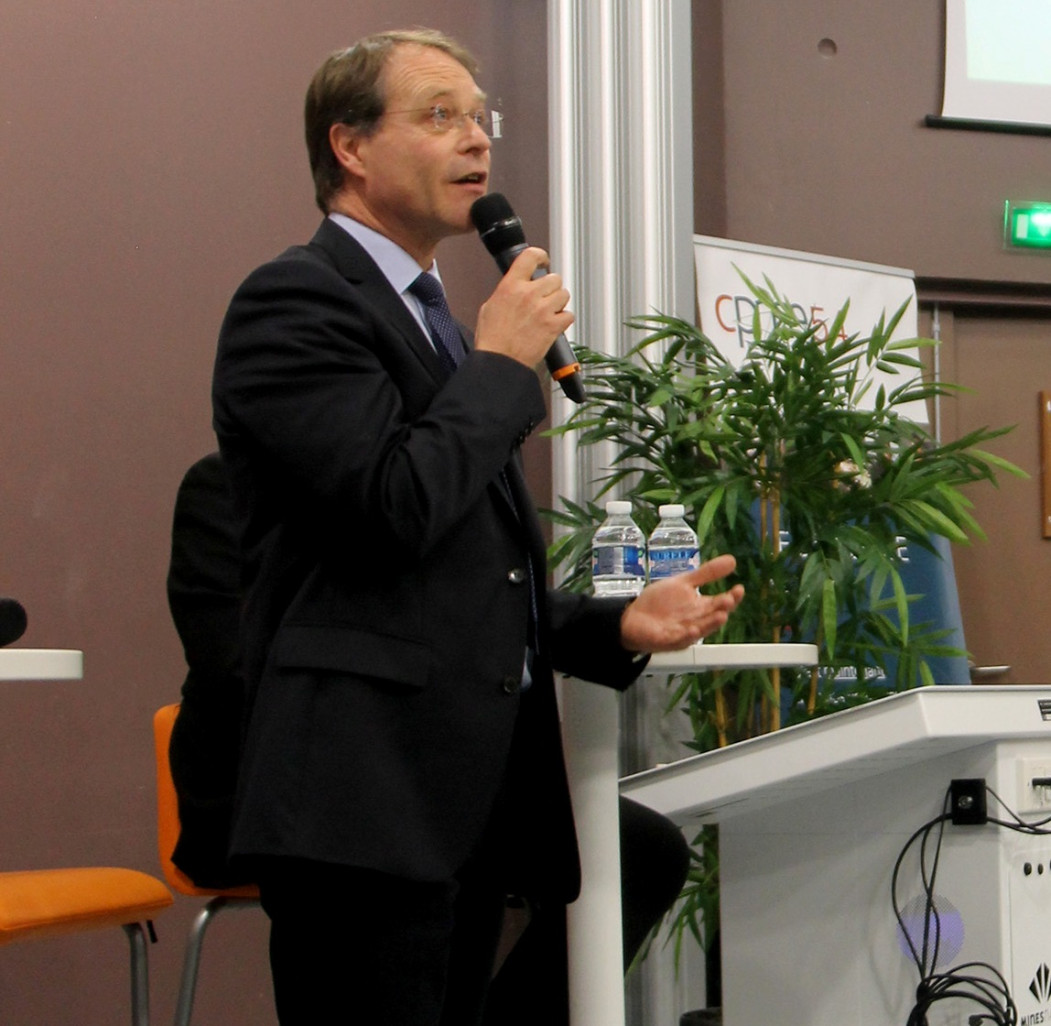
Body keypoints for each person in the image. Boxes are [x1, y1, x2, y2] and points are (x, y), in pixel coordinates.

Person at [210, 27, 744, 1026]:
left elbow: (464, 579)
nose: (476, 143)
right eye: (438, 115)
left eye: (479, 117)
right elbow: (393, 509)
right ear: (351, 147)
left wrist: (611, 625)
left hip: (461, 797)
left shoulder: (437, 317)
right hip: (359, 798)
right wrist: (500, 366)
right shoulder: (293, 303)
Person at [166, 451, 692, 1022]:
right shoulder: (234, 485)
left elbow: (510, 610)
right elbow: (233, 666)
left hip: (439, 767)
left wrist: (619, 625)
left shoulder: (447, 494)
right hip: (295, 780)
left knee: (638, 847)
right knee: (413, 840)